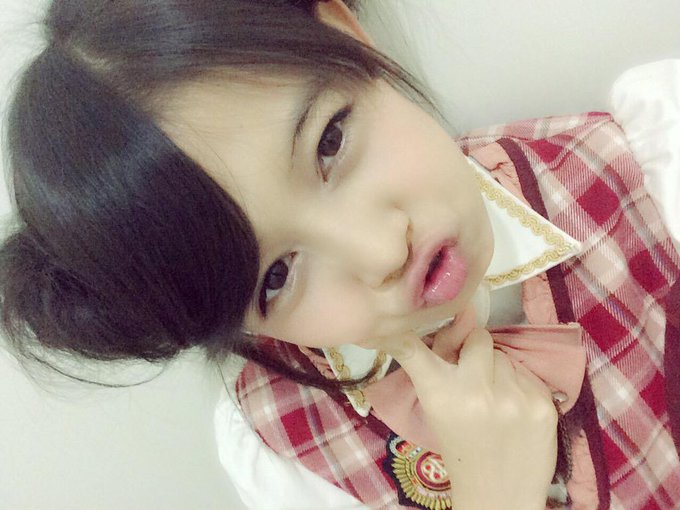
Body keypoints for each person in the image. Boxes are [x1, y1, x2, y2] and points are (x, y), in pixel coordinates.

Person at [1, 1, 678, 508]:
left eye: (329, 141)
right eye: (276, 276)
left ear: (347, 33)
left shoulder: (646, 169)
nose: (380, 252)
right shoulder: (285, 451)